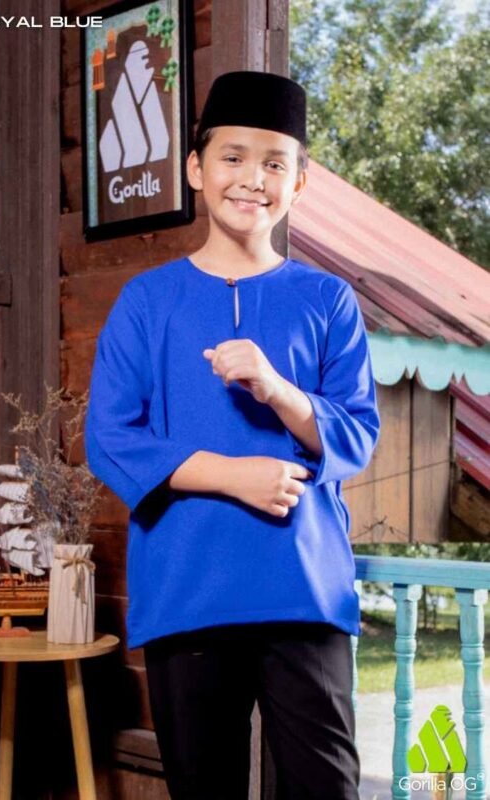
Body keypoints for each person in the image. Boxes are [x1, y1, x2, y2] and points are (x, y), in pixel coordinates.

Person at [85, 70, 381, 800]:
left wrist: (277, 389)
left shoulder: (328, 300)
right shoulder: (146, 301)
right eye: (233, 157)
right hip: (187, 592)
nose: (253, 178)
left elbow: (356, 434)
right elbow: (110, 438)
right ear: (196, 169)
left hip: (304, 594)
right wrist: (233, 474)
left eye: (275, 163)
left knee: (325, 788)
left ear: (299, 183)